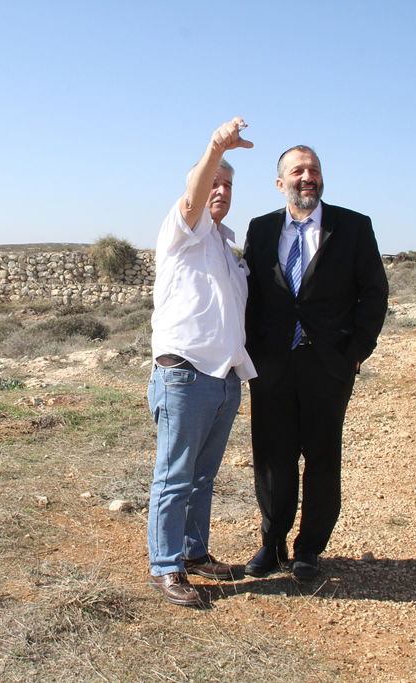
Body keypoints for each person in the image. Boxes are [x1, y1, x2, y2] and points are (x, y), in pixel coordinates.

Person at [243, 145, 388, 580]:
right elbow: (251, 295)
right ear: (280, 182)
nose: (307, 177)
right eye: (298, 170)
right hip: (272, 366)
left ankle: (309, 548)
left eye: (314, 170)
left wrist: (355, 351)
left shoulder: (353, 226)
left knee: (322, 458)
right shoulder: (262, 228)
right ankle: (272, 544)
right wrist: (250, 350)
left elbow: (374, 292)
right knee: (272, 458)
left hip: (328, 364)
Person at [146, 118, 257, 607]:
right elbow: (193, 196)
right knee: (174, 475)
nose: (221, 190)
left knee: (203, 476)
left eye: (228, 185)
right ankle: (165, 566)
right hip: (184, 375)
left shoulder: (226, 246)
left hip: (224, 377)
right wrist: (215, 148)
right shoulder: (183, 228)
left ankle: (193, 553)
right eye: (214, 180)